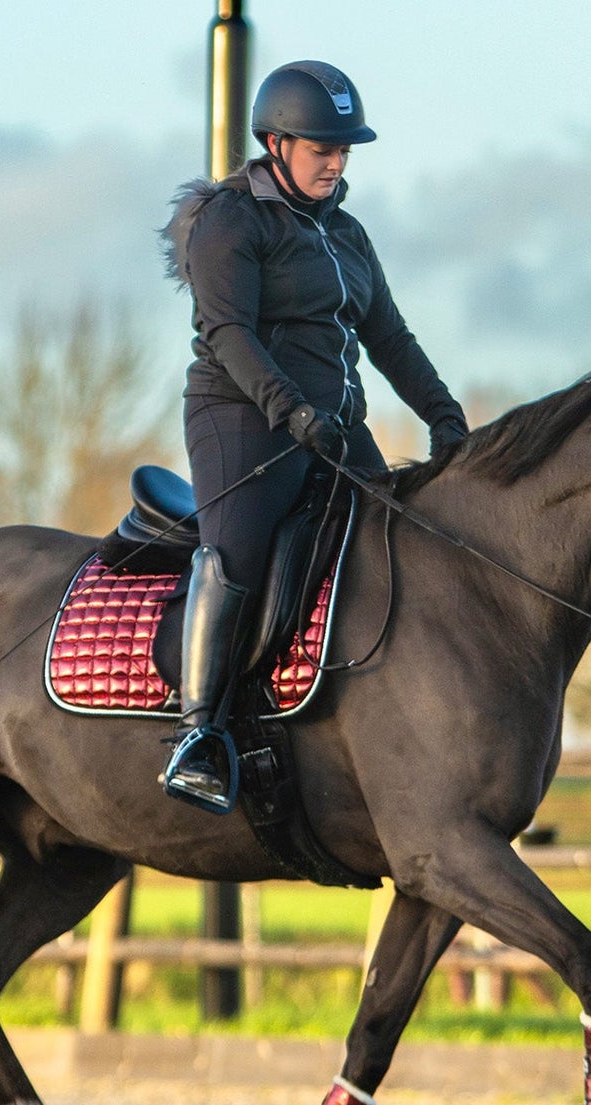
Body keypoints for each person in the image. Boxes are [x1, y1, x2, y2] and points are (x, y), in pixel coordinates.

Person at [158, 59, 470, 812]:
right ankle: (198, 735)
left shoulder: (347, 233)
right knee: (236, 554)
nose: (336, 163)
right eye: (322, 149)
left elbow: (389, 337)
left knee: (404, 537)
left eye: (344, 151)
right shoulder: (232, 222)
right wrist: (292, 412)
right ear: (276, 143)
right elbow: (228, 333)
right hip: (242, 419)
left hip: (331, 428)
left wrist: (444, 414)